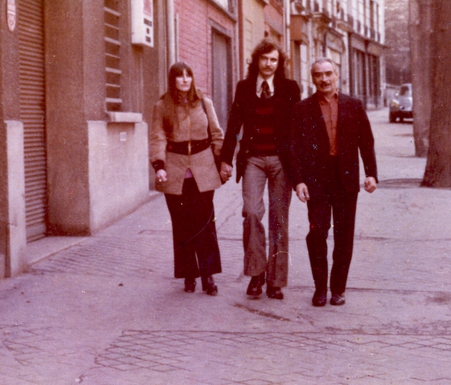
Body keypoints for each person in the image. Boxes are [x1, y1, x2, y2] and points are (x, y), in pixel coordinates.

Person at [290, 58, 378, 307]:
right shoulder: (302, 109)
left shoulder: (354, 105)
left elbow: (366, 142)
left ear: (337, 75)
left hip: (346, 180)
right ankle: (320, 289)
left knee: (344, 236)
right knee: (317, 234)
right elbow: (294, 149)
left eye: (329, 74)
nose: (324, 79)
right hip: (316, 179)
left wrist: (371, 173)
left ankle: (338, 289)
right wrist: (298, 181)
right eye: (319, 75)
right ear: (312, 78)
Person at [219, 39, 301, 300]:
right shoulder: (244, 88)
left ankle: (275, 280)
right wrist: (225, 160)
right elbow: (233, 125)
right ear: (256, 61)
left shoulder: (289, 88)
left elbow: (298, 131)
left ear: (280, 63)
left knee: (280, 219)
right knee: (252, 213)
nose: (269, 64)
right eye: (265, 59)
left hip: (281, 161)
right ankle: (256, 274)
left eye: (274, 60)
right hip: (253, 159)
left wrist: (301, 170)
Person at [150, 62, 225, 296]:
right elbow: (157, 137)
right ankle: (189, 274)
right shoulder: (162, 106)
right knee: (182, 225)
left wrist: (223, 162)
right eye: (179, 76)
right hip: (175, 171)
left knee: (204, 224)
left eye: (188, 76)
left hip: (203, 170)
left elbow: (217, 134)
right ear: (172, 80)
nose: (185, 80)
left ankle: (208, 274)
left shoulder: (204, 102)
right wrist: (159, 166)